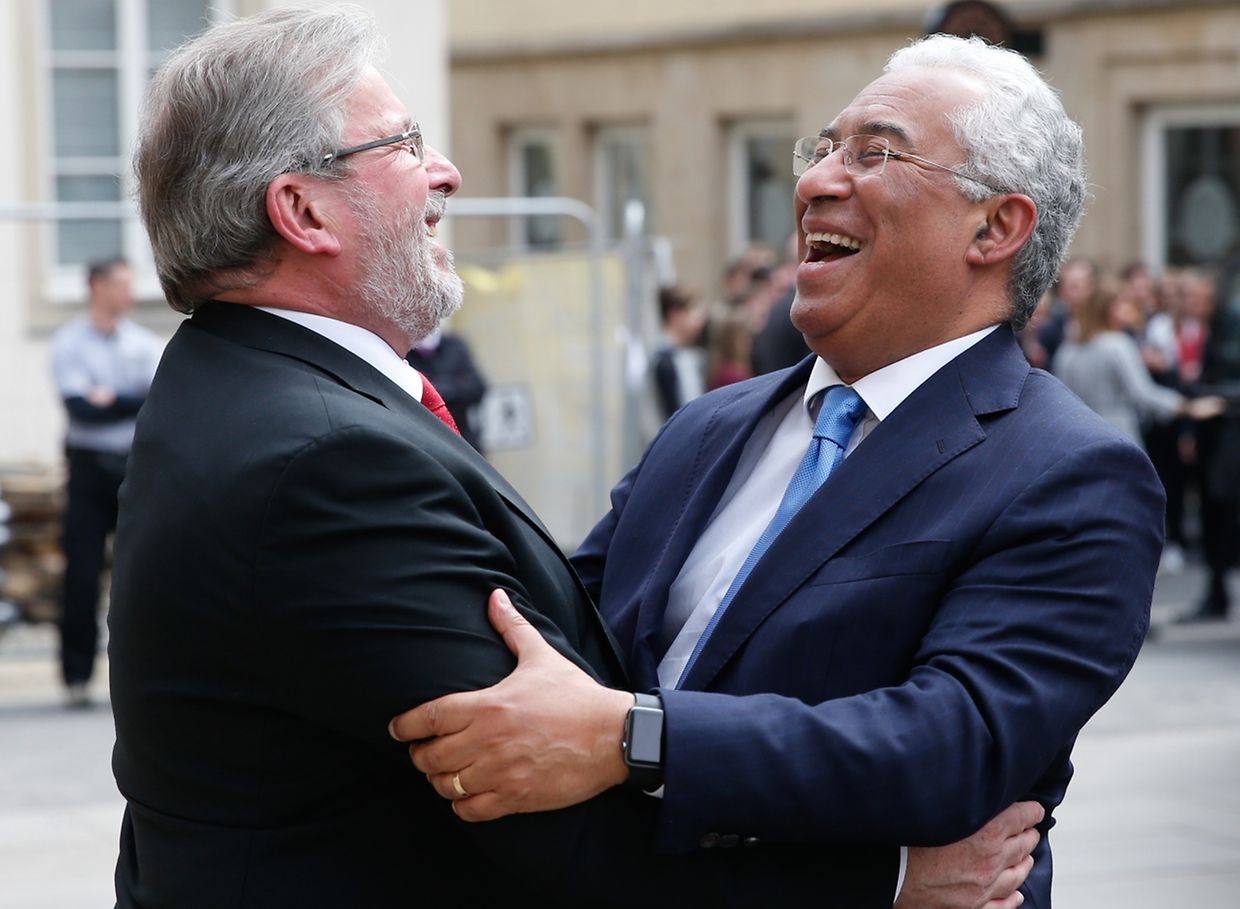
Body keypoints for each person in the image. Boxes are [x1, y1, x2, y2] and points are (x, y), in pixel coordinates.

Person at [107, 9, 1035, 909]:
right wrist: (889, 883)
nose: (446, 172)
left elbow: (567, 618)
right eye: (404, 145)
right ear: (303, 210)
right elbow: (551, 820)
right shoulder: (328, 457)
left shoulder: (230, 382)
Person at [391, 34, 1167, 909]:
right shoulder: (709, 427)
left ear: (995, 227)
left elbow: (953, 744)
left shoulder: (1071, 472)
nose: (816, 182)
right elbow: (559, 626)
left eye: (875, 153)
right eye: (823, 149)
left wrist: (632, 736)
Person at [48, 256, 162, 707]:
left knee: (144, 573)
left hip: (133, 467)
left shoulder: (142, 343)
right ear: (97, 286)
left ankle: (147, 675)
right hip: (88, 469)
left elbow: (156, 400)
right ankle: (76, 676)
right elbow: (82, 410)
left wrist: (111, 398)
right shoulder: (69, 343)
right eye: (122, 284)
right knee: (81, 575)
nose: (131, 292)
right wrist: (128, 400)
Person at [1051, 285, 1224, 444]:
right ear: (1109, 309)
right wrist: (1189, 407)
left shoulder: (1067, 349)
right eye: (1123, 305)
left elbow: (1061, 397)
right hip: (1116, 430)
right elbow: (1143, 393)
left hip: (1079, 434)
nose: (1130, 311)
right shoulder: (1117, 344)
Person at [406, 326, 488, 452]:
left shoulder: (454, 347)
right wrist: (456, 384)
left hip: (463, 438)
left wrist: (439, 387)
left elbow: (477, 387)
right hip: (424, 441)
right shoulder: (406, 353)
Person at [649, 284, 707, 422]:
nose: (700, 323)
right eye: (694, 315)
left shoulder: (671, 356)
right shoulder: (668, 360)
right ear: (675, 314)